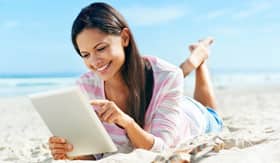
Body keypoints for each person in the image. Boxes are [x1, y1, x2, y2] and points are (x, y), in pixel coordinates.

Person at [48, 2, 223, 160]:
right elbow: (96, 156)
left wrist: (127, 122)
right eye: (85, 55)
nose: (94, 62)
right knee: (172, 75)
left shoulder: (168, 75)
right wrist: (71, 152)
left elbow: (161, 151)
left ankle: (199, 60)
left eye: (101, 48)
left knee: (211, 113)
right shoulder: (85, 86)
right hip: (161, 95)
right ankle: (192, 62)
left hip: (190, 118)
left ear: (124, 38)